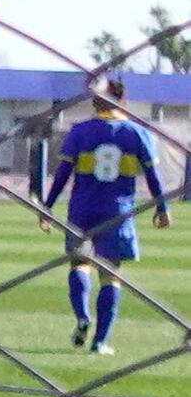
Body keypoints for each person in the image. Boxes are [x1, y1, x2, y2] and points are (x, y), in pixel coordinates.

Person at [42, 75, 171, 354]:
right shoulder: (137, 133)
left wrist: (48, 207)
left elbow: (62, 174)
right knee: (110, 275)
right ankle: (100, 342)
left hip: (82, 210)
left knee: (79, 264)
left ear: (95, 101)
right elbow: (152, 175)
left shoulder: (80, 132)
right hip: (117, 212)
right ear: (123, 101)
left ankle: (82, 316)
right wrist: (162, 207)